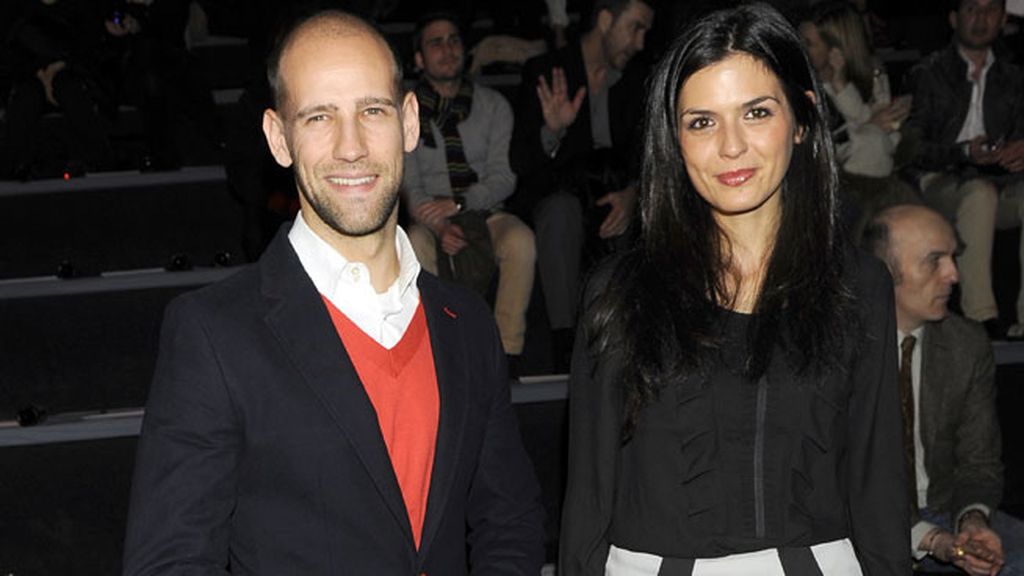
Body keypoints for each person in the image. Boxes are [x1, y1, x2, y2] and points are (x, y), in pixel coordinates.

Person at [122, 10, 545, 574]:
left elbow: (509, 520)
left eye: (372, 110)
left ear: (410, 122)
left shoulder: (466, 322)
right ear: (279, 138)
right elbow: (171, 562)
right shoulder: (213, 333)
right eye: (319, 116)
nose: (352, 146)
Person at [559, 3, 909, 574]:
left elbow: (878, 492)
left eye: (756, 112)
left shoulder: (860, 286)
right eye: (702, 121)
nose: (730, 146)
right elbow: (588, 505)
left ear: (801, 119)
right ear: (673, 141)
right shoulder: (617, 292)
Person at [863, 203, 1024, 576]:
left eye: (953, 258)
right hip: (858, 523)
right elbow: (841, 481)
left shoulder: (965, 344)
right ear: (884, 273)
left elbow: (979, 462)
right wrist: (930, 539)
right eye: (935, 260)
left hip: (944, 512)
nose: (953, 274)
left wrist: (972, 522)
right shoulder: (839, 349)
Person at [509, 0, 654, 367]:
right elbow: (521, 164)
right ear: (605, 20)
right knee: (561, 211)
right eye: (634, 28)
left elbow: (652, 155)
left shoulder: (638, 80)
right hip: (561, 195)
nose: (639, 42)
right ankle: (563, 344)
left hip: (615, 193)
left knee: (640, 217)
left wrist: (634, 194)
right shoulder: (545, 71)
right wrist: (552, 132)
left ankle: (634, 346)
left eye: (645, 32)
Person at [402, 13, 536, 369]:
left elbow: (504, 177)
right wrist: (439, 225)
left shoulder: (493, 105)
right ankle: (437, 355)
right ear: (419, 59)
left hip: (484, 209)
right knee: (414, 243)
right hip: (429, 218)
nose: (447, 49)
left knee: (520, 239)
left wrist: (460, 204)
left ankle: (506, 354)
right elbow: (410, 187)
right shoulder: (406, 113)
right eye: (436, 42)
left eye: (454, 40)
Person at [904, 0, 1024, 340]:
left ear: (1002, 19)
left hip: (1000, 182)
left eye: (990, 10)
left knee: (995, 193)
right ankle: (980, 317)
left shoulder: (1013, 76)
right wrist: (961, 153)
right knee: (978, 195)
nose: (981, 18)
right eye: (972, 8)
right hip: (943, 181)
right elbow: (910, 148)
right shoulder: (929, 73)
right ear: (954, 17)